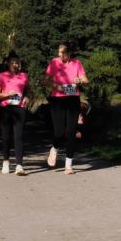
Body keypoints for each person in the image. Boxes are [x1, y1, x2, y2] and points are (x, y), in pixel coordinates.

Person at [44, 42, 88, 175]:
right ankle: (55, 148)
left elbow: (86, 80)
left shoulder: (76, 63)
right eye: (59, 52)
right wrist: (55, 86)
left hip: (73, 100)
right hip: (57, 100)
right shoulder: (54, 62)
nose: (59, 54)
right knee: (59, 132)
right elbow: (44, 80)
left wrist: (80, 80)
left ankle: (68, 165)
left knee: (71, 132)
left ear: (68, 53)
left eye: (62, 52)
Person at [0, 51, 30, 175]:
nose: (15, 64)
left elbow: (28, 91)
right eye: (13, 62)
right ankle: (5, 162)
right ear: (8, 64)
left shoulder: (24, 76)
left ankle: (19, 165)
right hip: (6, 108)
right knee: (6, 137)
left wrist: (26, 97)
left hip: (19, 108)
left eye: (17, 62)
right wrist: (6, 94)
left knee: (18, 136)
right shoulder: (2, 76)